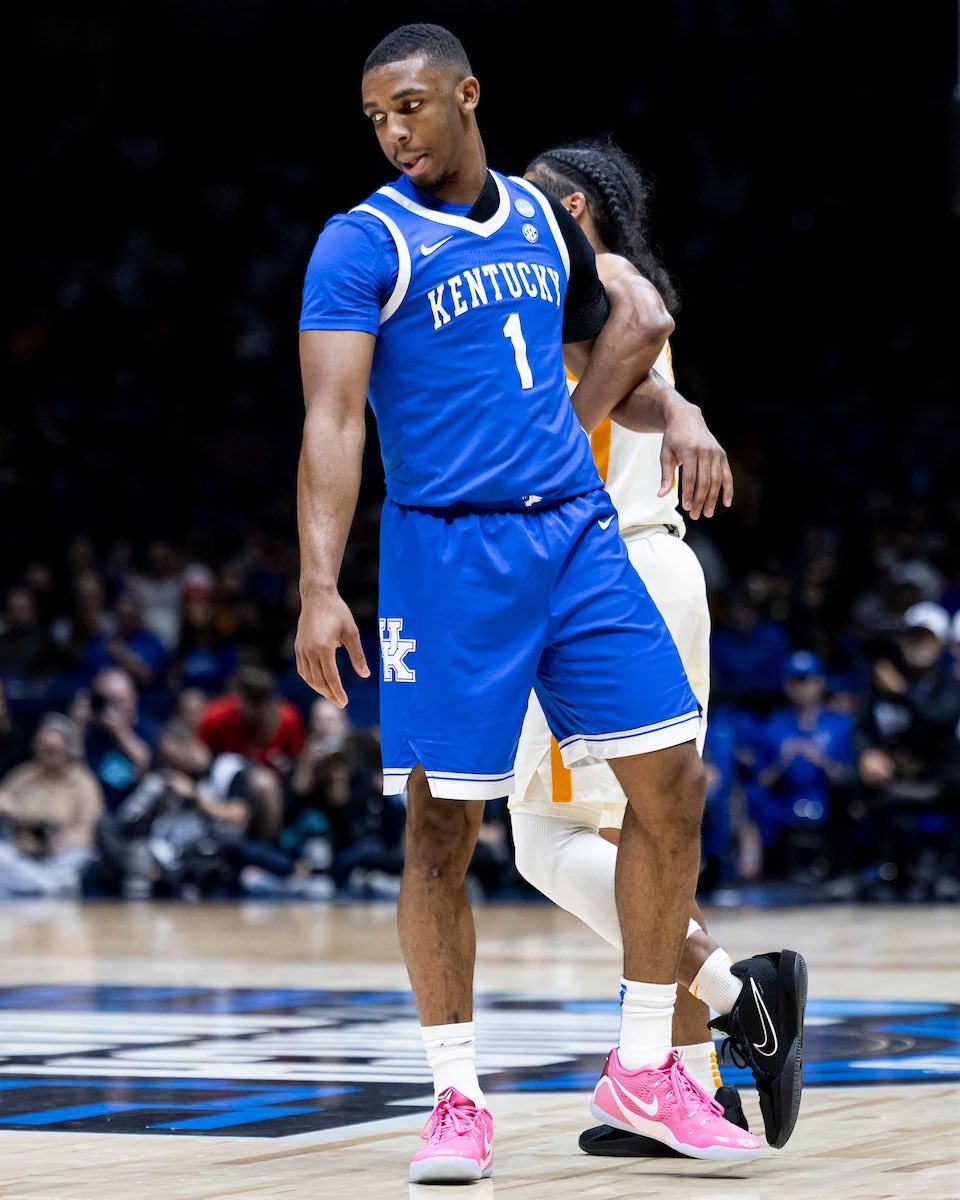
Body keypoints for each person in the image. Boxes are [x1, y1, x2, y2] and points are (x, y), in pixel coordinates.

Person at [295, 23, 760, 1182]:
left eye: (410, 107)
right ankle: (456, 1100)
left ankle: (648, 1069)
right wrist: (317, 585)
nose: (395, 132)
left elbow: (632, 348)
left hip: (577, 536)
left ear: (466, 94)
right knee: (442, 828)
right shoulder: (362, 243)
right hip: (447, 557)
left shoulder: (545, 224)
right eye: (375, 118)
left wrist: (680, 414)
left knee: (672, 785)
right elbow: (333, 423)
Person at [510, 137, 807, 1156]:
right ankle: (687, 1087)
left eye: (533, 202)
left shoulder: (588, 280)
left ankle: (740, 993)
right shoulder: (608, 292)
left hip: (605, 573)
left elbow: (617, 384)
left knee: (547, 842)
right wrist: (684, 406)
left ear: (578, 207)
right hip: (655, 573)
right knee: (640, 841)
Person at [0, 712, 103, 897]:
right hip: (22, 853)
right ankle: (45, 886)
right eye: (44, 749)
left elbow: (89, 832)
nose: (48, 755)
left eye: (54, 751)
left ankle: (38, 885)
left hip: (62, 855)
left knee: (79, 858)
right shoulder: (23, 776)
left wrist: (63, 841)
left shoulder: (84, 783)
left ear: (69, 750)